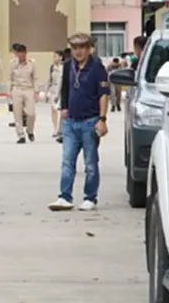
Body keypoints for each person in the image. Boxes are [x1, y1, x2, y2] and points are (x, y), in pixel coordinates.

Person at [50, 32, 110, 211]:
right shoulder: (68, 66)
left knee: (90, 163)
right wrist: (64, 108)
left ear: (89, 48)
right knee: (67, 161)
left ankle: (90, 197)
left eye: (82, 47)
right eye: (74, 48)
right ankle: (64, 196)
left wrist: (102, 119)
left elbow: (103, 95)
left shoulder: (97, 68)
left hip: (90, 122)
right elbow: (65, 89)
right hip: (71, 122)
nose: (78, 51)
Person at [9, 43, 37, 144]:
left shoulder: (32, 63)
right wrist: (9, 92)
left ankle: (30, 130)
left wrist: (36, 91)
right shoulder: (13, 63)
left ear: (25, 53)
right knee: (17, 114)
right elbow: (10, 78)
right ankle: (21, 135)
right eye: (19, 54)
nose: (21, 57)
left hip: (28, 89)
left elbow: (35, 78)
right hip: (17, 89)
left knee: (31, 113)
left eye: (23, 54)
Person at [48, 50, 65, 141]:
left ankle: (60, 128)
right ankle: (55, 128)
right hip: (53, 89)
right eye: (53, 56)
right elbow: (50, 79)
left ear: (61, 57)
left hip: (62, 90)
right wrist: (47, 90)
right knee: (53, 109)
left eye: (56, 56)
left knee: (62, 110)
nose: (54, 58)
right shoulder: (52, 67)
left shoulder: (64, 67)